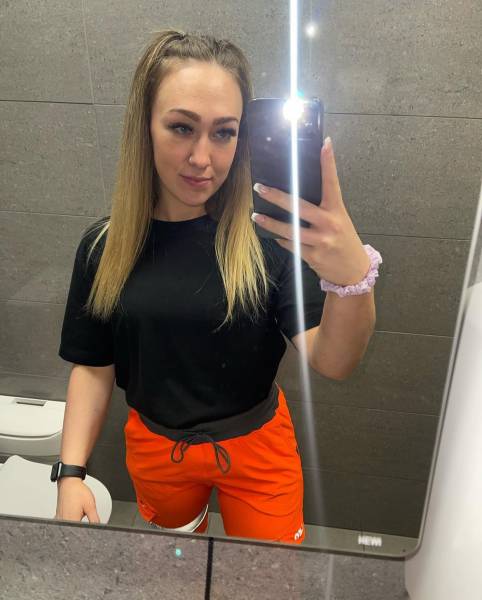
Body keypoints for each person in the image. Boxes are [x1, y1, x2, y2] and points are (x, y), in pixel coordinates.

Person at [54, 29, 381, 544]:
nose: (202, 158)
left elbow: (333, 360)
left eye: (224, 132)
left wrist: (352, 279)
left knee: (269, 575)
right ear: (145, 127)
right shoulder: (104, 248)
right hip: (158, 451)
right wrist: (70, 473)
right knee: (177, 564)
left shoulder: (269, 239)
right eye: (182, 127)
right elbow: (93, 366)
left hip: (257, 448)